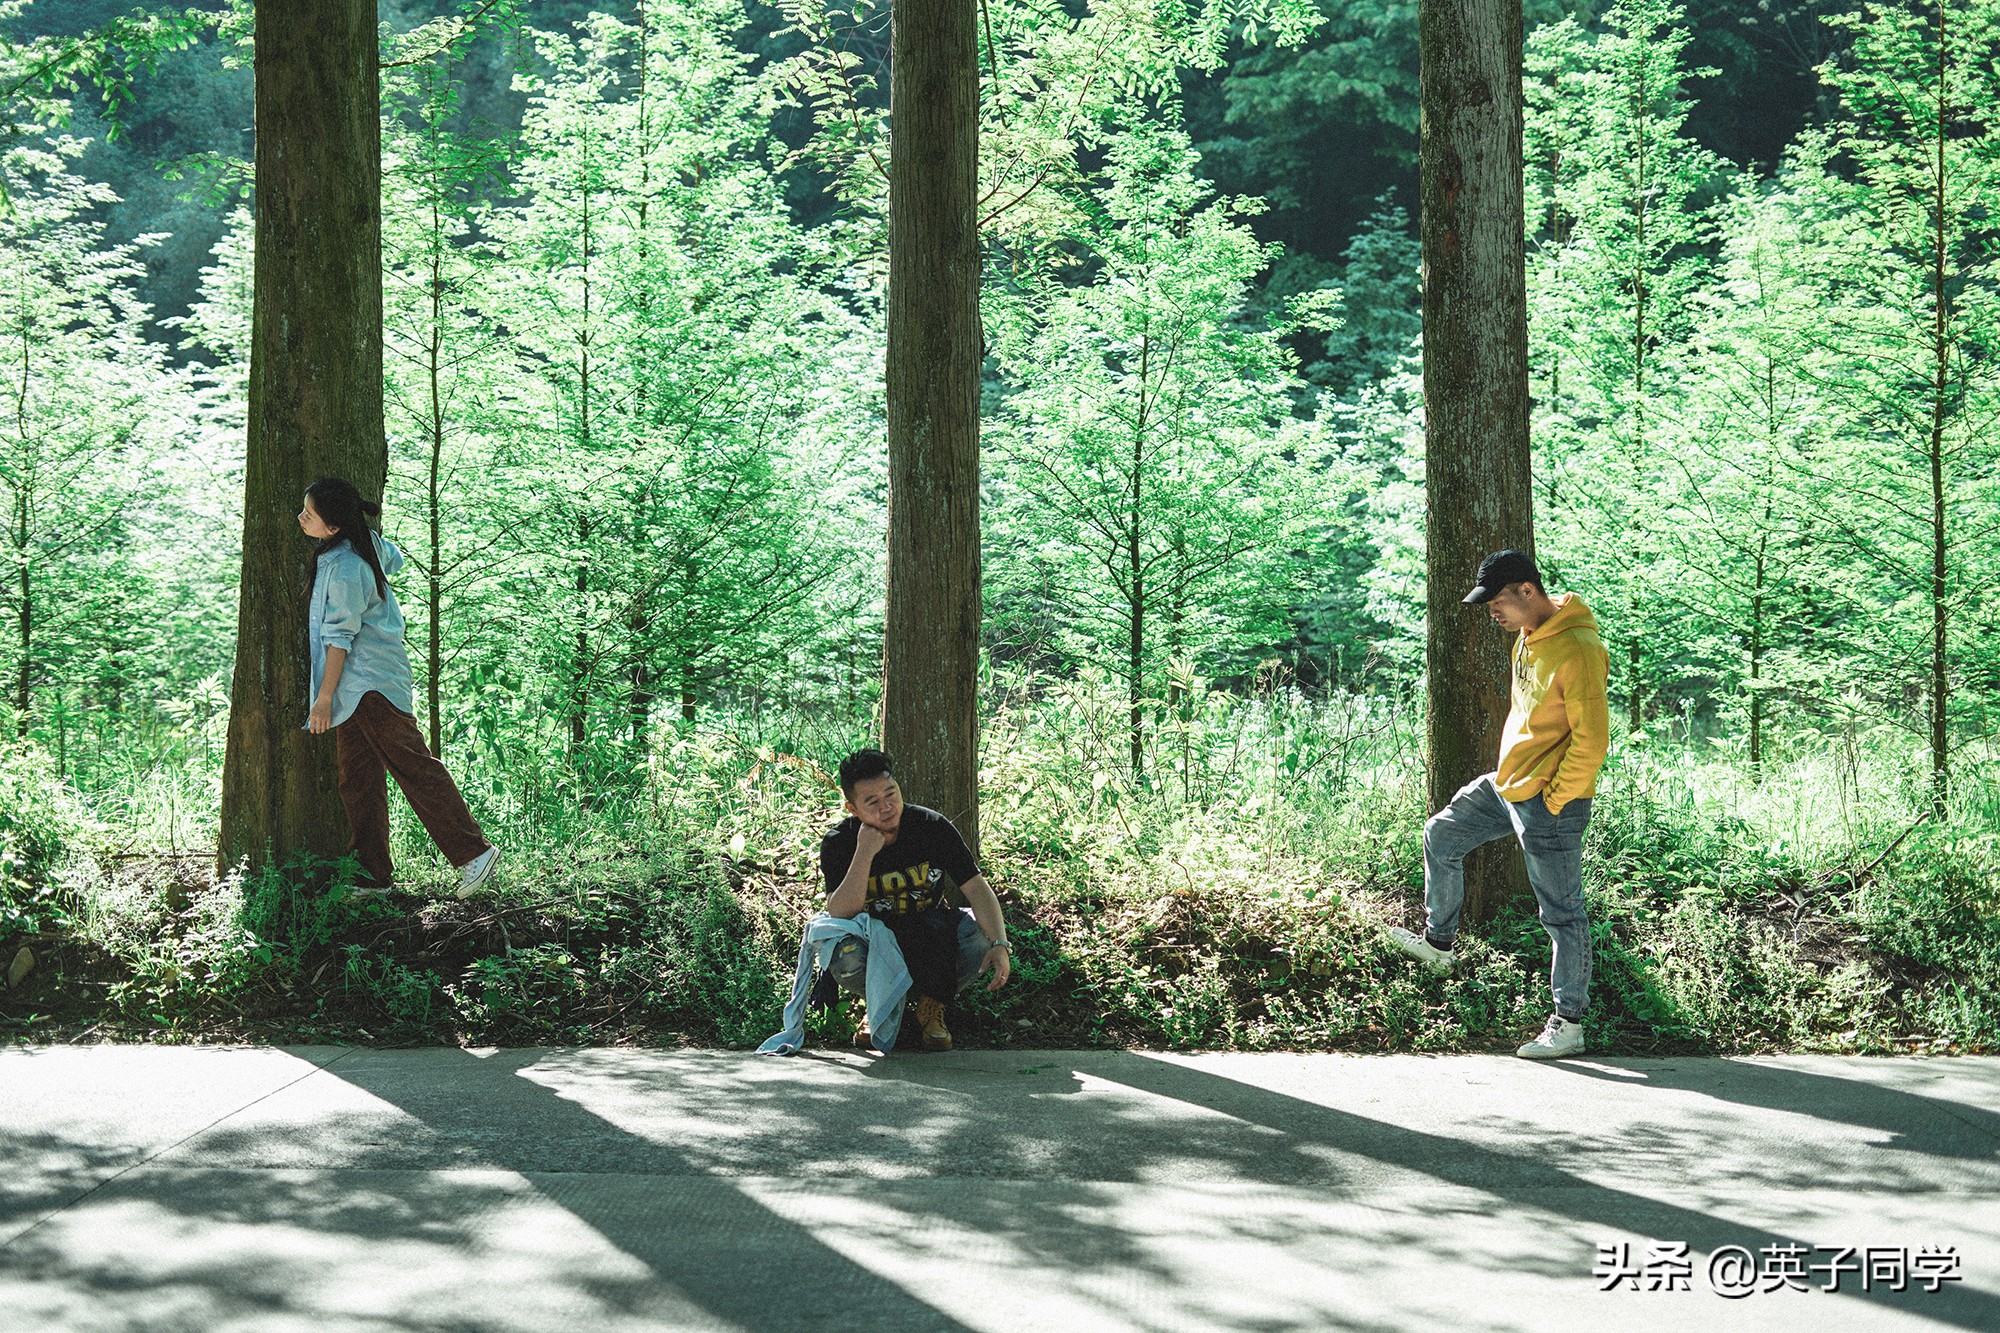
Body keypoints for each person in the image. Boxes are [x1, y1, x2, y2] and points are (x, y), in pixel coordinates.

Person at [1388, 549, 1610, 1059]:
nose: (1492, 611)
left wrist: (1554, 799)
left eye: (1497, 602)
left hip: (1549, 800)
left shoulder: (1576, 648)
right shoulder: (1528, 637)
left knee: (1562, 913)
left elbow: (1592, 740)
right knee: (1441, 833)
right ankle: (1439, 946)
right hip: (1509, 785)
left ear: (1527, 591)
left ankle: (1569, 1024)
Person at [300, 478, 500, 897]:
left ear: (333, 527)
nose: (300, 518)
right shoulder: (360, 546)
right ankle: (372, 876)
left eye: (309, 514)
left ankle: (474, 854)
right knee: (357, 779)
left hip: (369, 684)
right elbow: (392, 556)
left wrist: (323, 698)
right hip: (359, 687)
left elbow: (340, 637)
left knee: (413, 766)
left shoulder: (347, 566)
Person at [818, 749, 1011, 1051]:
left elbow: (975, 887)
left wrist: (1000, 943)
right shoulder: (839, 842)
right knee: (841, 952)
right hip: (875, 939)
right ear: (852, 808)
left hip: (931, 933)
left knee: (979, 938)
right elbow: (840, 913)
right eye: (872, 802)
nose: (887, 807)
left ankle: (931, 1005)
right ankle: (881, 1003)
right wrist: (865, 851)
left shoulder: (931, 826)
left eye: (891, 793)